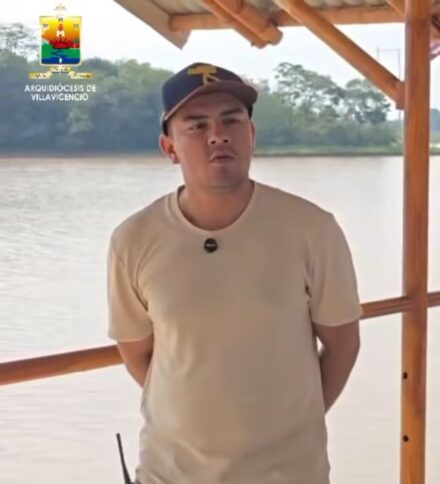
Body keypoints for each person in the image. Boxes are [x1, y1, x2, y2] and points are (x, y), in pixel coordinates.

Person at [107, 62, 362, 484]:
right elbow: (137, 353)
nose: (218, 135)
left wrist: (290, 426)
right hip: (171, 473)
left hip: (288, 474)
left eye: (231, 121)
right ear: (169, 148)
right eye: (197, 126)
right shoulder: (133, 239)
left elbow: (343, 343)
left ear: (252, 135)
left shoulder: (312, 229)